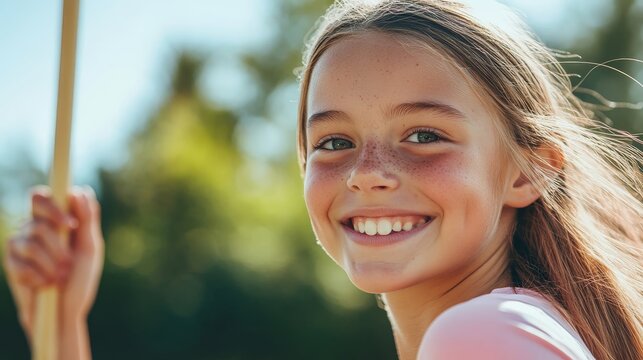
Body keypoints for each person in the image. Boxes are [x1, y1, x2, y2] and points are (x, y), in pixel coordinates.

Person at [3, 0, 642, 359]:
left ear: (532, 169)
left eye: (424, 135)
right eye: (334, 142)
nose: (366, 175)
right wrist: (59, 329)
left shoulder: (481, 337)